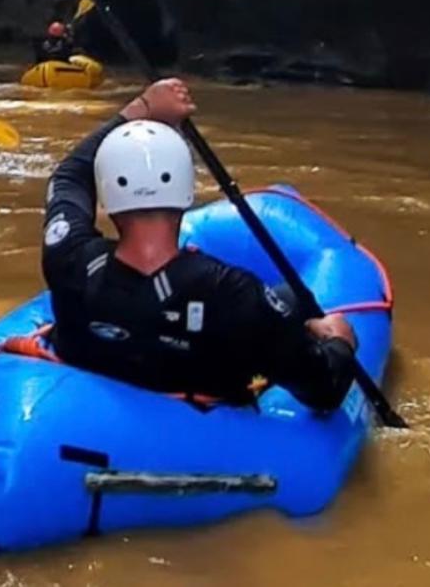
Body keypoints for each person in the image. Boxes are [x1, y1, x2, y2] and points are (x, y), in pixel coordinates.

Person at [36, 78, 357, 410]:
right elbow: (324, 391)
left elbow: (69, 175)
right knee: (294, 300)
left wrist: (142, 107)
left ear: (106, 195)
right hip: (205, 415)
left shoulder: (69, 260)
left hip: (105, 374)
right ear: (186, 190)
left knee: (289, 298)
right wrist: (339, 341)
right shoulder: (233, 293)